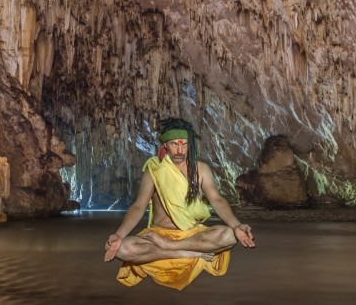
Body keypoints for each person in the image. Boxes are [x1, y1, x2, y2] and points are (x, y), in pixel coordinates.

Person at [104, 117, 255, 289]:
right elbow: (139, 206)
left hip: (192, 235)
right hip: (159, 234)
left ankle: (172, 248)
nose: (180, 150)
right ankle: (184, 253)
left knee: (229, 235)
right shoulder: (154, 169)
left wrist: (236, 225)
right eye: (175, 144)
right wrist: (119, 235)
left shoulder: (201, 169)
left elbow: (217, 199)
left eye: (184, 144)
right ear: (165, 145)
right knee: (122, 248)